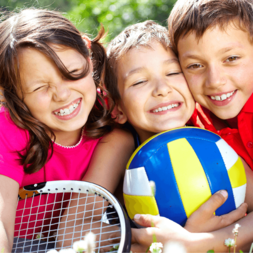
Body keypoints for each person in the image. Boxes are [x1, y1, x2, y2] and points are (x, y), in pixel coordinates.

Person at [105, 20, 252, 252]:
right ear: (117, 108)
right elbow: (74, 230)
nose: (162, 88)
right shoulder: (118, 145)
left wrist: (196, 243)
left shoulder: (212, 142)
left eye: (173, 72)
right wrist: (149, 242)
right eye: (139, 81)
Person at [0, 8, 134, 252]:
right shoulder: (7, 130)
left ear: (87, 53)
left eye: (71, 73)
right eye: (40, 87)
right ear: (13, 93)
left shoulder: (115, 121)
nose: (62, 95)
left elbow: (78, 229)